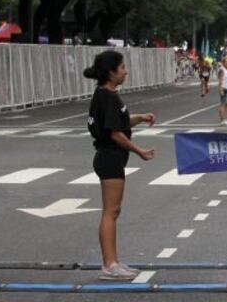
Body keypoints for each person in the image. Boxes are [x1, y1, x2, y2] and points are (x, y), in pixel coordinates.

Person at [85, 50, 156, 281]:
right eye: (122, 67)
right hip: (109, 156)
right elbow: (115, 133)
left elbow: (120, 122)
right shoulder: (107, 96)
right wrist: (139, 151)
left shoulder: (107, 95)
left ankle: (113, 261)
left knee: (113, 211)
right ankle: (109, 264)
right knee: (110, 212)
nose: (125, 71)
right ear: (111, 72)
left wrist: (141, 117)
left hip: (111, 158)